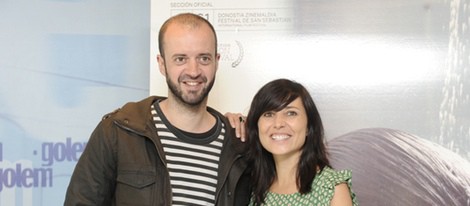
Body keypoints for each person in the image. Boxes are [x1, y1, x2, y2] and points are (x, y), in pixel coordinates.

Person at [64, 13, 251, 206]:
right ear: (161, 64)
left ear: (217, 61)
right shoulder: (118, 132)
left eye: (204, 58)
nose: (193, 71)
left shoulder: (239, 144)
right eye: (180, 59)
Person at [245, 78, 358, 206]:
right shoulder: (254, 188)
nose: (278, 123)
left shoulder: (331, 189)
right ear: (256, 126)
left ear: (309, 127)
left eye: (291, 113)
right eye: (269, 114)